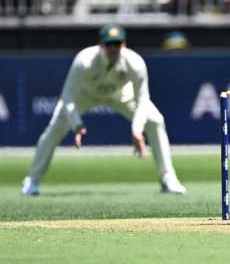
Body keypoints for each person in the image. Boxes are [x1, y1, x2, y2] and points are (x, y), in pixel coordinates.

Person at [21, 23, 186, 196]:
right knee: (54, 128)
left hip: (121, 94)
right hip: (85, 95)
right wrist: (77, 125)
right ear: (101, 45)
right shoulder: (84, 60)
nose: (113, 49)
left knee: (155, 120)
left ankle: (168, 178)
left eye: (117, 44)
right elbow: (67, 97)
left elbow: (142, 99)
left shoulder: (135, 62)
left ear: (124, 45)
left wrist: (137, 130)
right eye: (109, 44)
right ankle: (32, 180)